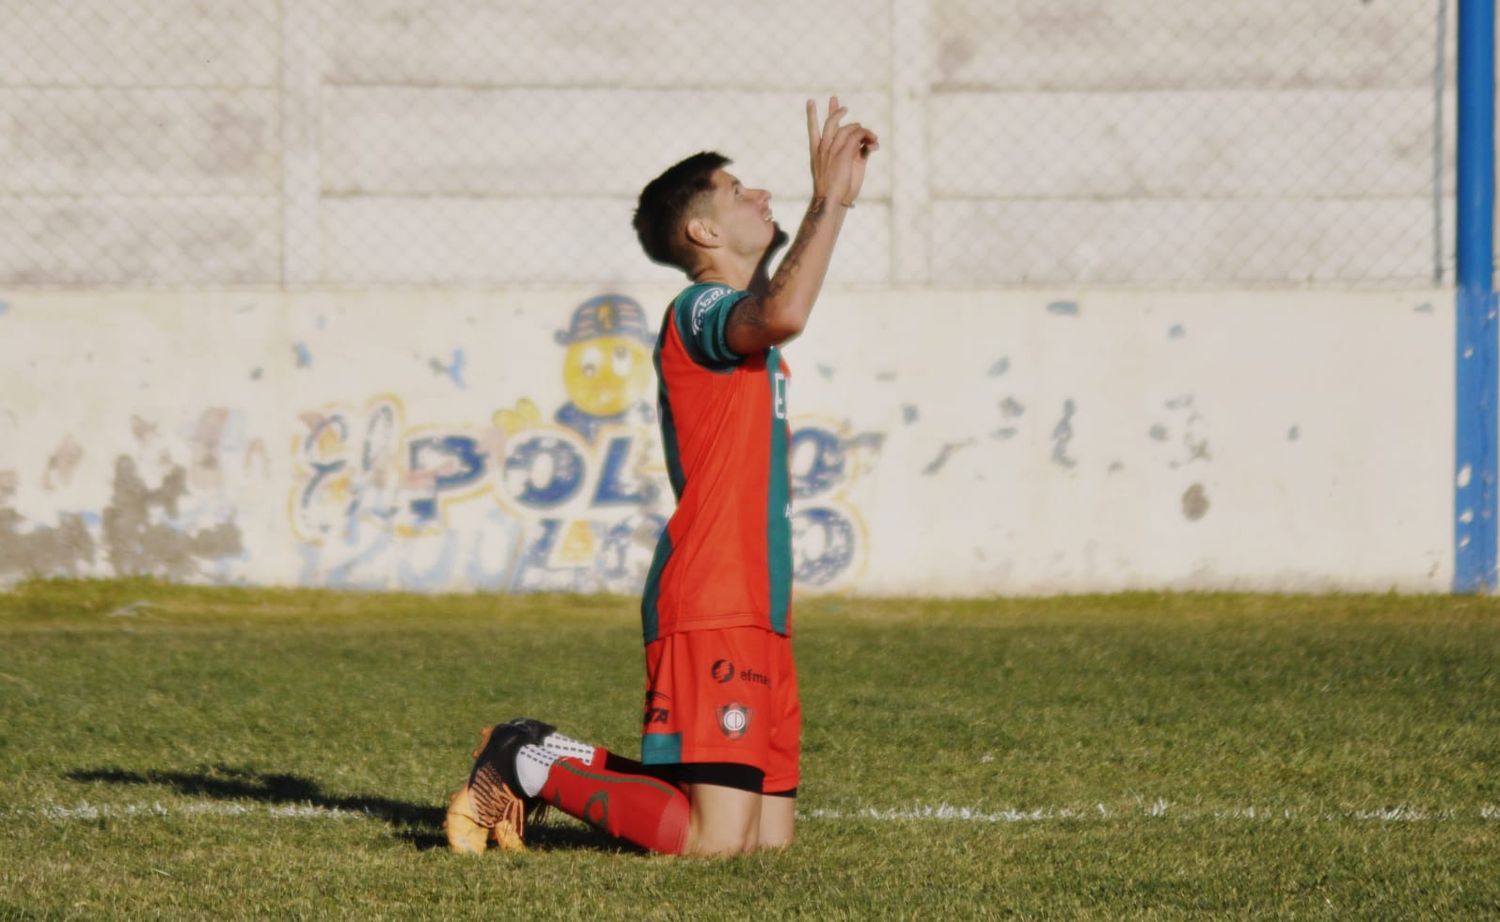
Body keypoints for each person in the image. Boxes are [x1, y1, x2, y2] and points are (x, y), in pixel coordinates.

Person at [445, 96, 878, 858]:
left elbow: (772, 305)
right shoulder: (699, 309)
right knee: (714, 845)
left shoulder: (737, 312)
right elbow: (781, 313)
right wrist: (827, 201)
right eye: (739, 191)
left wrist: (827, 205)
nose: (760, 195)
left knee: (761, 850)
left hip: (760, 605)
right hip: (713, 597)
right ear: (703, 231)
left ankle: (538, 752)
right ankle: (525, 758)